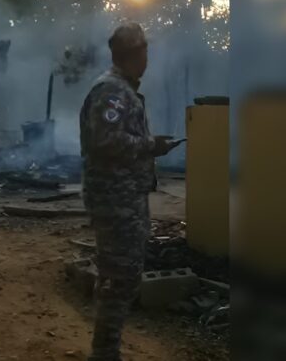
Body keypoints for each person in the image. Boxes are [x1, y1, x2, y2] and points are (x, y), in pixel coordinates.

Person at [79, 22, 181, 361]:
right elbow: (104, 141)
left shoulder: (121, 89)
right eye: (145, 51)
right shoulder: (112, 91)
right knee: (118, 278)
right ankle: (104, 354)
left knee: (120, 275)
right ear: (135, 54)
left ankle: (106, 350)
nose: (148, 58)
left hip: (124, 199)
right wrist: (151, 145)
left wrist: (151, 145)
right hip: (115, 201)